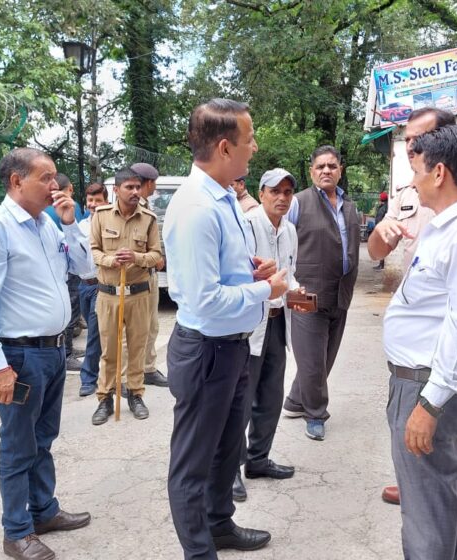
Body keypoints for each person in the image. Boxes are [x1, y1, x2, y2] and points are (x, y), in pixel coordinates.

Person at [369, 107, 457, 505]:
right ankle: (423, 487)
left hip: (440, 364)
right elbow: (377, 250)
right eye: (409, 141)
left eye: (419, 139)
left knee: (443, 468)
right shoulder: (415, 193)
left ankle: (438, 493)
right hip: (421, 356)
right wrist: (381, 234)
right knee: (426, 473)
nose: (412, 148)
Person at [163, 98, 288, 559]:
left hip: (232, 349)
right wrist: (266, 291)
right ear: (223, 146)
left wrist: (250, 272)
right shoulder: (198, 205)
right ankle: (199, 551)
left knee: (225, 449)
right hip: (208, 351)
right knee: (194, 462)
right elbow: (202, 298)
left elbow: (220, 274)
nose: (254, 147)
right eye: (248, 139)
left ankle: (219, 525)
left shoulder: (223, 195)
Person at [0, 148, 94, 560]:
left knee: (43, 438)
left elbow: (86, 269)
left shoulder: (47, 225)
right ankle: (16, 531)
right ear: (17, 181)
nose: (54, 186)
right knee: (18, 446)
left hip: (53, 352)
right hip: (19, 357)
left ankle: (44, 510)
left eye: (55, 177)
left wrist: (72, 226)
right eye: (46, 177)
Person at [232, 168, 305, 503]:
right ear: (261, 193)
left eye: (288, 192)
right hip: (250, 326)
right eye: (275, 191)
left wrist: (299, 292)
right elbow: (238, 276)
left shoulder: (290, 229)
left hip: (278, 322)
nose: (282, 198)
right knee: (241, 401)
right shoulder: (246, 226)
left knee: (271, 396)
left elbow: (290, 274)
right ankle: (231, 469)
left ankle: (258, 459)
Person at [282, 145, 360, 441]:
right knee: (312, 359)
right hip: (305, 293)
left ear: (340, 169)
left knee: (325, 357)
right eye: (320, 167)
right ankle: (316, 414)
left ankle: (295, 401)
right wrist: (287, 281)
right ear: (311, 171)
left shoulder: (349, 206)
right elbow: (282, 244)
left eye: (332, 166)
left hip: (340, 293)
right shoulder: (298, 203)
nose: (326, 171)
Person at [88, 168, 162, 424]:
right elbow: (94, 250)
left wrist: (137, 258)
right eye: (129, 187)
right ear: (116, 190)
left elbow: (157, 255)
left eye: (137, 187)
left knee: (137, 348)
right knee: (109, 350)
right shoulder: (101, 216)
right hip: (108, 294)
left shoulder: (149, 219)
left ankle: (135, 394)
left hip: (139, 294)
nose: (134, 192)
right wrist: (110, 260)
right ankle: (105, 398)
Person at [129, 162, 168, 387]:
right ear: (150, 183)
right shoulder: (133, 208)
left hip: (149, 273)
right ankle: (133, 374)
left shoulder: (146, 207)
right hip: (138, 275)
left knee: (151, 325)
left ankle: (147, 367)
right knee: (137, 329)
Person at [45, 173, 85, 370]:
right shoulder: (69, 206)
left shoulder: (43, 212)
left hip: (56, 267)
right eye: (70, 189)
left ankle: (68, 348)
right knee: (71, 307)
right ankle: (67, 352)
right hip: (69, 265)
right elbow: (77, 237)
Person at [77, 183, 107, 397]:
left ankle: (88, 378)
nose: (94, 205)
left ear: (106, 201)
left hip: (101, 285)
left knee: (95, 335)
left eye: (98, 200)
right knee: (92, 331)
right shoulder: (80, 225)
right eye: (90, 201)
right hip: (83, 285)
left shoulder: (110, 224)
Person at [373, 192, 388, 270]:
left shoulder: (383, 208)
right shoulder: (385, 206)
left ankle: (381, 265)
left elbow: (380, 219)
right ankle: (381, 264)